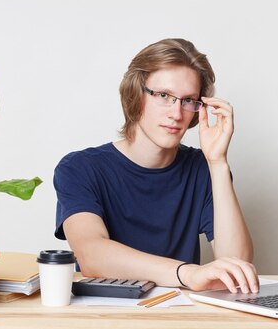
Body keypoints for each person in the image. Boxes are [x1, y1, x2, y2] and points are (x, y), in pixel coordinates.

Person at [54, 38, 258, 294]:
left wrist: (217, 162)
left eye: (188, 100)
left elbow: (236, 267)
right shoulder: (80, 168)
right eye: (164, 96)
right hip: (106, 314)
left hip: (178, 315)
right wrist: (188, 274)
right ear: (135, 94)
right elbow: (91, 255)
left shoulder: (202, 168)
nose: (177, 114)